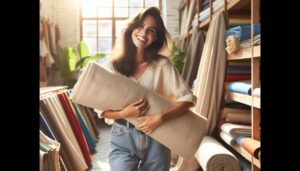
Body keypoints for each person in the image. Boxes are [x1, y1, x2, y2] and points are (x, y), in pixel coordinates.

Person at [96, 7, 197, 171]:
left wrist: (161, 119)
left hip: (158, 137)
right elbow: (101, 111)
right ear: (131, 28)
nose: (143, 33)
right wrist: (123, 113)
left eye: (151, 30)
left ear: (156, 37)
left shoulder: (162, 66)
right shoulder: (112, 67)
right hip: (123, 136)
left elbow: (188, 100)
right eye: (140, 26)